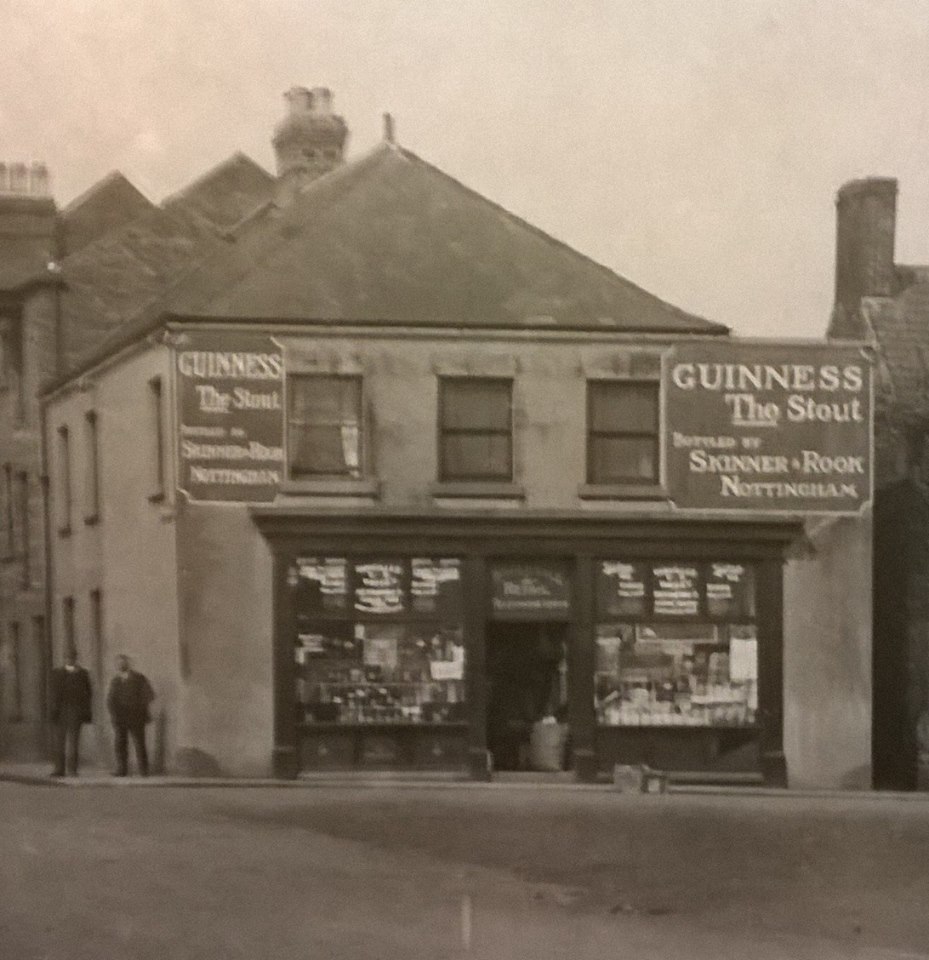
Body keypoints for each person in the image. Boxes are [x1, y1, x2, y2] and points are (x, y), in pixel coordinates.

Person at [107, 654, 155, 777]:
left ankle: (144, 770)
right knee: (120, 744)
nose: (121, 665)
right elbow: (111, 700)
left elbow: (149, 695)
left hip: (136, 716)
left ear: (128, 664)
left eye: (123, 663)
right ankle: (122, 770)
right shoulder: (116, 681)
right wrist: (113, 713)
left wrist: (138, 707)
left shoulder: (139, 678)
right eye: (118, 663)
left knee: (139, 743)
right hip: (120, 718)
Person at [49, 649, 93, 777]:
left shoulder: (83, 674)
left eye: (72, 657)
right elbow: (53, 693)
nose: (69, 659)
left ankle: (72, 769)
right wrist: (53, 711)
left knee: (74, 742)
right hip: (60, 711)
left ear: (75, 658)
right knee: (59, 742)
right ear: (64, 658)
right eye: (67, 657)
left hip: (76, 711)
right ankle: (59, 769)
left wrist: (86, 712)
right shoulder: (57, 673)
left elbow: (88, 694)